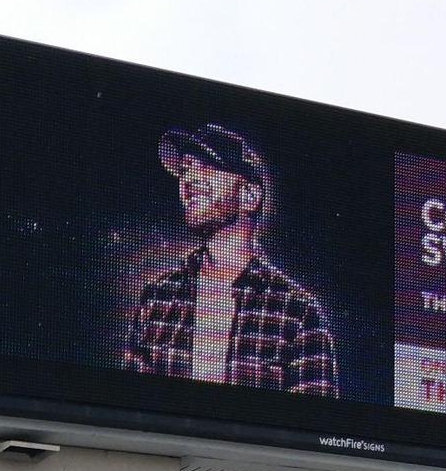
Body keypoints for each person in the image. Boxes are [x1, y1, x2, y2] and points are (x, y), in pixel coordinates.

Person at [124, 123, 339, 395]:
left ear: (249, 195)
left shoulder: (297, 312)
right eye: (185, 169)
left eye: (206, 166)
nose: (188, 179)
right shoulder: (157, 298)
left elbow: (312, 428)